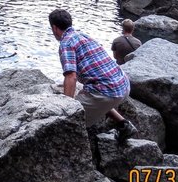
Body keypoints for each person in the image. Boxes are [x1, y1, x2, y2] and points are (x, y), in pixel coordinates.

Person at [48, 9, 137, 142]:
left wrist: (66, 107)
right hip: (123, 85)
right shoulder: (83, 35)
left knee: (67, 122)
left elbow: (71, 76)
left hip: (107, 93)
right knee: (91, 92)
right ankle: (123, 124)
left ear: (54, 28)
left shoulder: (66, 43)